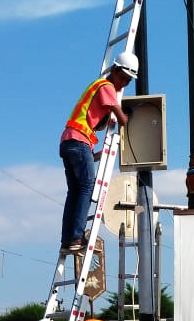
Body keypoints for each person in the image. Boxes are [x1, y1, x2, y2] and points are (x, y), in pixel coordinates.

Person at [59, 50, 138, 253]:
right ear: (114, 70)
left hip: (69, 142)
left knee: (75, 191)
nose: (124, 84)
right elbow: (120, 118)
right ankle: (76, 237)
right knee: (87, 187)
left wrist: (96, 155)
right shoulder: (106, 86)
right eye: (124, 78)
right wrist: (127, 117)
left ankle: (67, 240)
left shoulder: (96, 87)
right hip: (78, 141)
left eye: (129, 81)